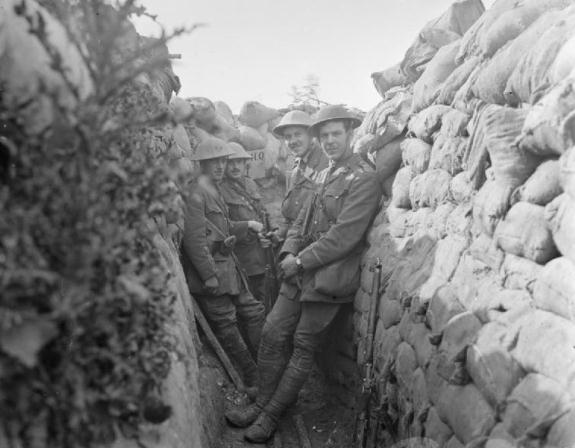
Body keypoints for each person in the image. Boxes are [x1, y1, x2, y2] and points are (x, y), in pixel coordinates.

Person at [225, 105, 382, 442]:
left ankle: (269, 416)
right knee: (271, 332)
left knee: (302, 346)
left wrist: (299, 261)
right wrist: (288, 251)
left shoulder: (364, 179)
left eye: (335, 134)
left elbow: (344, 236)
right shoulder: (326, 174)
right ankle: (262, 401)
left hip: (330, 277)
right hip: (300, 270)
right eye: (324, 135)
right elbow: (301, 221)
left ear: (350, 134)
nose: (329, 141)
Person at [181, 136, 266, 393]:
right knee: (227, 324)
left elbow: (223, 227)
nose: (219, 166)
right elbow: (194, 240)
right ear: (202, 164)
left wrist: (248, 225)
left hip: (229, 268)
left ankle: (265, 367)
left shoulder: (213, 189)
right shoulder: (196, 193)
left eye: (222, 160)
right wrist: (208, 275)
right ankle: (252, 378)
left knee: (254, 311)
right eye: (213, 162)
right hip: (212, 272)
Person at [220, 142, 270, 305]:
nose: (235, 167)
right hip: (241, 259)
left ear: (244, 163)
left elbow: (263, 212)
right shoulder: (219, 189)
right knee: (248, 305)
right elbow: (221, 226)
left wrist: (268, 233)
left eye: (239, 162)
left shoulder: (250, 184)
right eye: (230, 162)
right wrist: (247, 224)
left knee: (267, 297)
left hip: (262, 255)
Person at [272, 110, 328, 240]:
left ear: (310, 135)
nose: (292, 141)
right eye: (287, 137)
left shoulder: (325, 163)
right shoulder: (296, 167)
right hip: (295, 237)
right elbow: (291, 215)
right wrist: (279, 234)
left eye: (298, 134)